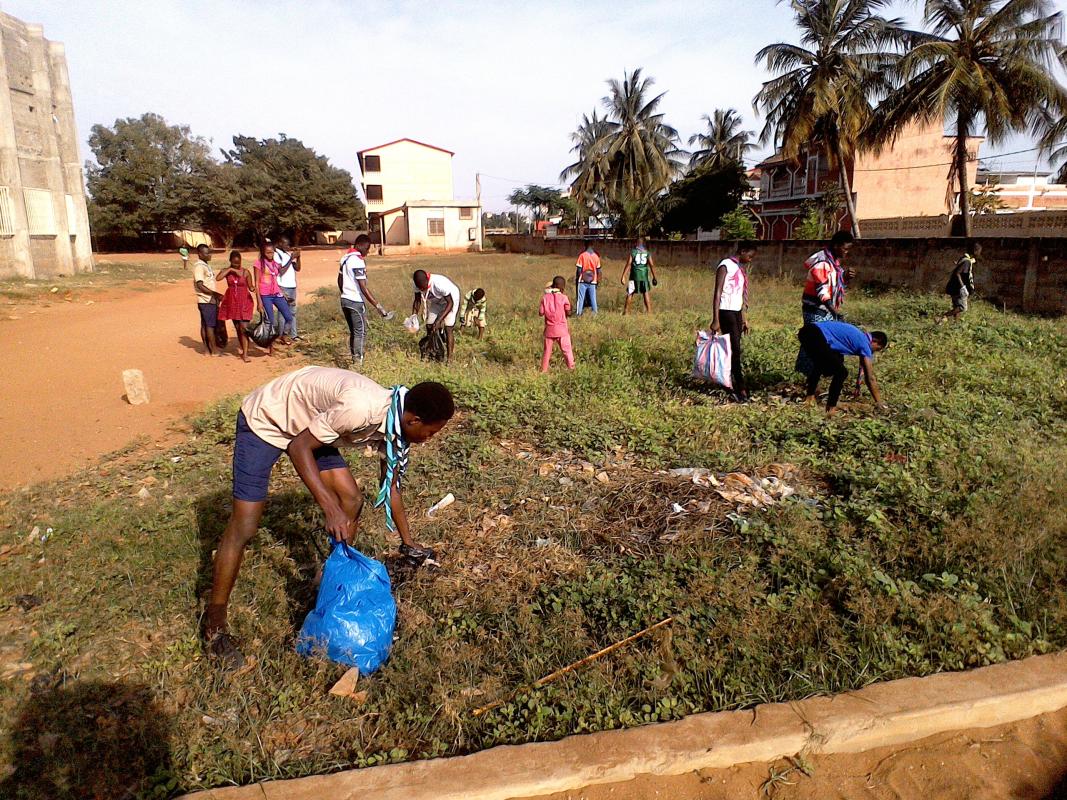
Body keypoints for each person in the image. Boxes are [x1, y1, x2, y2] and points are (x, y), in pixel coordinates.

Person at [203, 366, 456, 669]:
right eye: (430, 432)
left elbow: (391, 489)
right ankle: (214, 624)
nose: (429, 439)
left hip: (309, 425)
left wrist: (408, 543)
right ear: (414, 419)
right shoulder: (360, 409)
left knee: (351, 498)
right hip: (268, 420)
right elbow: (299, 447)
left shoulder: (397, 425)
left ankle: (330, 582)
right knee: (245, 525)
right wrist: (329, 509)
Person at [798, 320, 888, 416]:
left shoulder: (859, 336)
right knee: (841, 372)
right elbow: (870, 378)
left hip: (806, 331)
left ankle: (810, 397)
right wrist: (879, 402)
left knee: (821, 364)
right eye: (877, 349)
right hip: (815, 334)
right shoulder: (864, 344)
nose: (874, 352)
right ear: (875, 341)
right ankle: (831, 408)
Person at [709, 243, 756, 401]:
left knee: (735, 349)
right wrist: (716, 319)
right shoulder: (725, 265)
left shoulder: (740, 269)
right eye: (749, 256)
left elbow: (740, 296)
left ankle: (730, 381)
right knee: (734, 350)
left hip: (736, 312)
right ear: (742, 251)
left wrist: (743, 318)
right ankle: (739, 386)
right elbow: (717, 293)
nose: (749, 260)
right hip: (725, 311)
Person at [339, 234, 392, 364]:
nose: (367, 252)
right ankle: (358, 363)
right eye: (367, 249)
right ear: (361, 245)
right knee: (360, 333)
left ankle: (354, 358)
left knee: (354, 331)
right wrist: (378, 307)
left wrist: (345, 293)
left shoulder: (345, 258)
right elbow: (363, 287)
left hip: (345, 300)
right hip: (355, 302)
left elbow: (339, 280)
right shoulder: (357, 260)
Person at [216, 250, 257, 362]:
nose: (237, 265)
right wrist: (231, 269)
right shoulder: (227, 271)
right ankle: (243, 348)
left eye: (238, 263)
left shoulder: (246, 272)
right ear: (230, 261)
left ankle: (245, 353)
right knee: (238, 328)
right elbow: (218, 278)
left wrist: (254, 288)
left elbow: (251, 286)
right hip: (232, 303)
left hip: (244, 302)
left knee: (244, 328)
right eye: (234, 263)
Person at [412, 269, 461, 363]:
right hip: (437, 301)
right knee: (429, 325)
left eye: (423, 287)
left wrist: (439, 320)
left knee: (448, 328)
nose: (422, 290)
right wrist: (413, 316)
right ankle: (433, 350)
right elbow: (417, 300)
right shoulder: (417, 285)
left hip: (451, 300)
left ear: (427, 280)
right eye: (420, 288)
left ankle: (449, 359)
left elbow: (450, 303)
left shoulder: (439, 284)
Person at [254, 241, 295, 354]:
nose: (270, 255)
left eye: (272, 252)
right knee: (270, 321)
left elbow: (278, 277)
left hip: (276, 293)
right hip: (265, 295)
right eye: (268, 253)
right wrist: (259, 302)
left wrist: (283, 294)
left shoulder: (276, 264)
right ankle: (270, 347)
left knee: (289, 317)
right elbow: (256, 283)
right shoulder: (259, 264)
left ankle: (284, 335)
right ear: (263, 253)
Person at [193, 244, 223, 356]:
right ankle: (214, 350)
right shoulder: (199, 267)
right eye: (207, 253)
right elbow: (200, 285)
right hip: (206, 300)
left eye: (209, 252)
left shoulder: (205, 265)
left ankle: (207, 350)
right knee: (210, 325)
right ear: (200, 254)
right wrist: (216, 295)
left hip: (208, 300)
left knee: (206, 325)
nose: (209, 255)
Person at [540, 275, 575, 372]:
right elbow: (568, 312)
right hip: (562, 329)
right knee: (567, 350)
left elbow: (541, 313)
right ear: (562, 287)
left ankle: (543, 370)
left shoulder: (545, 298)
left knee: (547, 351)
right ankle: (571, 368)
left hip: (549, 330)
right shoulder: (564, 298)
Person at [940, 242, 980, 323]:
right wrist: (963, 287)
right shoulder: (967, 262)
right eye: (979, 251)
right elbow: (958, 273)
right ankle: (943, 316)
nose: (979, 253)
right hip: (958, 288)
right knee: (962, 307)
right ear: (975, 251)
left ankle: (956, 324)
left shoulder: (965, 259)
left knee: (956, 307)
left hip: (954, 287)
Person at [621, 236, 658, 314]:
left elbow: (628, 264)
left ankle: (626, 311)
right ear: (644, 244)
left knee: (630, 292)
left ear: (636, 243)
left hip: (634, 275)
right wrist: (654, 277)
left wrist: (623, 275)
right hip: (644, 275)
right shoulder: (647, 253)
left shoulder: (633, 252)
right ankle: (649, 312)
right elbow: (651, 265)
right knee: (645, 293)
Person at [274, 236, 301, 340]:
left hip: (292, 286)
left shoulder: (287, 254)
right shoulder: (277, 255)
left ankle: (293, 335)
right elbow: (281, 271)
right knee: (282, 312)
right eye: (286, 244)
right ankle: (281, 335)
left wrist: (298, 257)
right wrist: (291, 258)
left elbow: (297, 268)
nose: (288, 246)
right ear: (280, 243)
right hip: (283, 286)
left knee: (292, 311)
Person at [574, 241, 601, 315]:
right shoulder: (596, 257)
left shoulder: (582, 255)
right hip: (593, 281)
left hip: (582, 280)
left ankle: (579, 313)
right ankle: (595, 313)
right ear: (592, 246)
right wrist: (597, 281)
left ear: (585, 245)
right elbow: (599, 270)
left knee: (580, 298)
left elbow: (579, 269)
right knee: (593, 298)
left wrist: (578, 278)